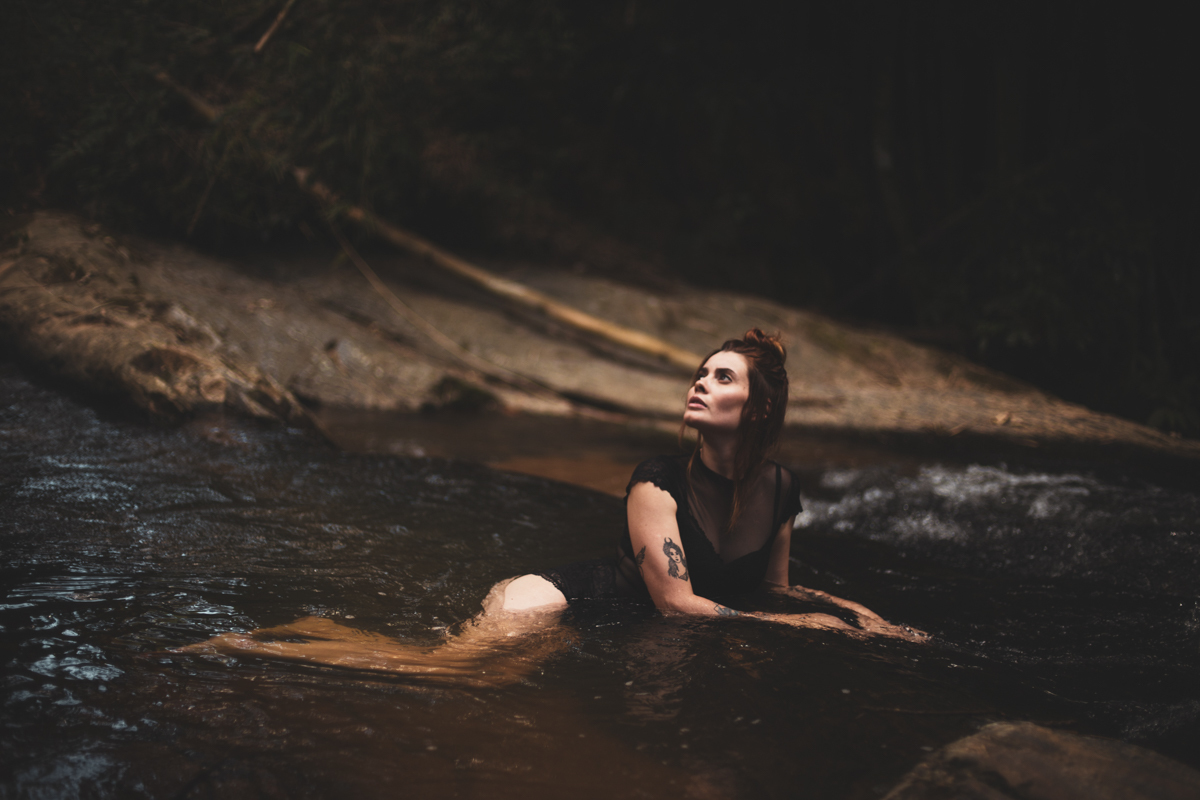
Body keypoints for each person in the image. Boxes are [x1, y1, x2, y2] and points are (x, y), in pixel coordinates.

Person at [181, 329, 922, 679]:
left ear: (759, 408)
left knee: (454, 672)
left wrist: (864, 618)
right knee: (442, 673)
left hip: (593, 626)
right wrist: (812, 630)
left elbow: (776, 593)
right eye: (699, 373)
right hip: (548, 601)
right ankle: (239, 646)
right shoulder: (656, 478)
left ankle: (311, 629)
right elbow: (675, 604)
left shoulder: (782, 490)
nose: (699, 383)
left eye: (722, 378)